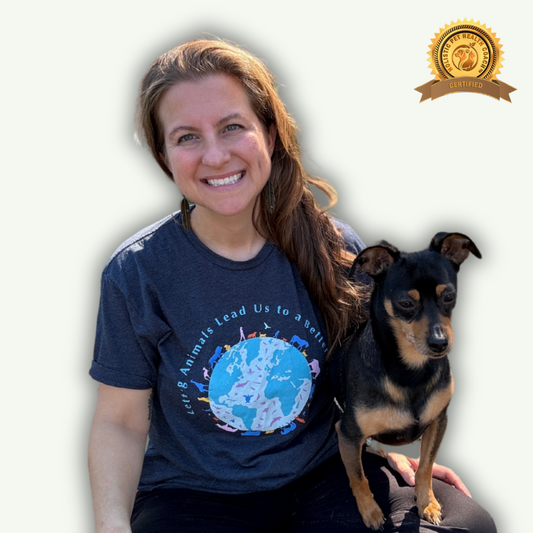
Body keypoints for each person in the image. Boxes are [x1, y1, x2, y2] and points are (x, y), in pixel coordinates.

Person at [88, 39, 496, 533]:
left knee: (464, 524)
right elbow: (120, 421)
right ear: (163, 155)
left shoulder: (337, 247)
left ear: (271, 133)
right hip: (194, 496)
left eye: (232, 127)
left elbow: (364, 371)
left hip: (323, 479)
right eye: (187, 137)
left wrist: (388, 448)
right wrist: (111, 523)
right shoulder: (137, 272)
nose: (215, 155)